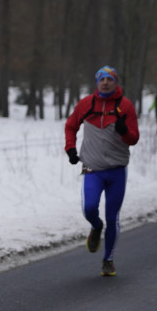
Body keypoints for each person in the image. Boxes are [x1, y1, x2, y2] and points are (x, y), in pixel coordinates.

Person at [64, 66, 140, 277]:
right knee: (89, 208)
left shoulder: (125, 106)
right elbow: (70, 126)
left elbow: (134, 138)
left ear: (116, 82)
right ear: (97, 82)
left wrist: (124, 131)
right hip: (93, 169)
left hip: (116, 170)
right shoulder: (86, 104)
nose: (105, 82)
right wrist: (70, 148)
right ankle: (96, 227)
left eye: (110, 79)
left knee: (112, 216)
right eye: (102, 79)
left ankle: (108, 260)